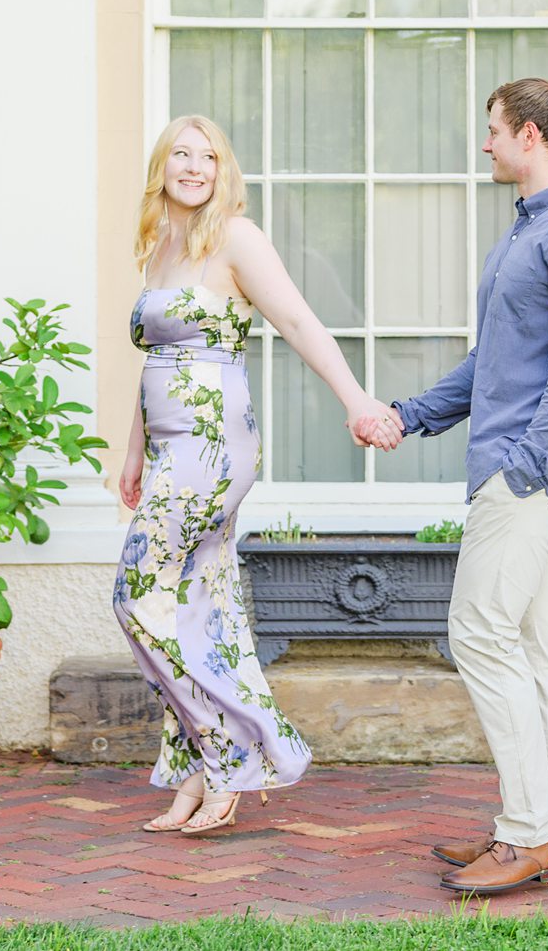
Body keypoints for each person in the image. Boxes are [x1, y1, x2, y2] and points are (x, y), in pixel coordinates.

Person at [360, 78, 548, 897]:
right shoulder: (531, 233)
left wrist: (528, 467)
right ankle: (540, 830)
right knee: (538, 654)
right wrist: (410, 414)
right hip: (519, 470)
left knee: (477, 633)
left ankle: (524, 834)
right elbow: (497, 364)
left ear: (529, 134)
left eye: (492, 131)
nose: (484, 145)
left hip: (529, 478)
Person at [112, 113, 400, 837]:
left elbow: (301, 323)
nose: (194, 165)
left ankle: (229, 747)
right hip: (169, 444)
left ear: (223, 170)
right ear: (162, 166)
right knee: (195, 608)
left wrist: (357, 398)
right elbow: (157, 360)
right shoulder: (162, 245)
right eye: (181, 153)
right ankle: (192, 770)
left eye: (208, 156)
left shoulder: (235, 237)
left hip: (212, 447)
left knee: (134, 594)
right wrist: (133, 448)